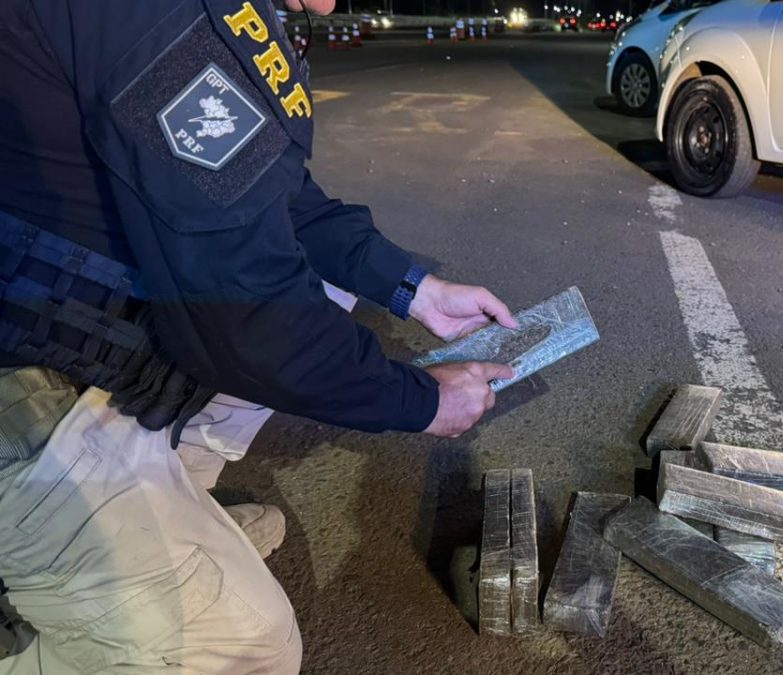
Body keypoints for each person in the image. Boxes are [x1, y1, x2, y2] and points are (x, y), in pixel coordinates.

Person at [0, 0, 516, 671]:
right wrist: (423, 401)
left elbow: (270, 191)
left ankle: (167, 510)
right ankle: (90, 575)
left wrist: (416, 290)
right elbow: (252, 319)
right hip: (25, 375)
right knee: (243, 643)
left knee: (324, 294)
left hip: (79, 330)